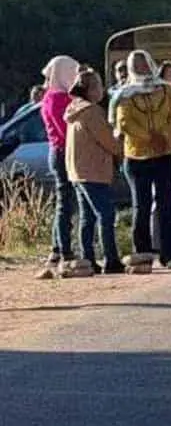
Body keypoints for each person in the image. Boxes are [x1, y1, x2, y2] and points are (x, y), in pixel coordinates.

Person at [113, 49, 171, 270]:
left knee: (166, 205)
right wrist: (148, 137)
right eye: (136, 64)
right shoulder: (124, 94)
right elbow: (123, 122)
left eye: (144, 63)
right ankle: (142, 253)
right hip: (137, 156)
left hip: (164, 154)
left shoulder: (165, 89)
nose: (141, 68)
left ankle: (170, 254)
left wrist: (163, 136)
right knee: (141, 206)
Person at [64, 69, 123, 275]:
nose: (102, 89)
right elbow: (109, 141)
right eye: (97, 85)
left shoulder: (74, 110)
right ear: (88, 90)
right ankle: (111, 259)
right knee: (106, 214)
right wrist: (121, 145)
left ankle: (88, 258)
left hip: (78, 171)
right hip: (94, 170)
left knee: (87, 217)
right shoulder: (92, 112)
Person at [39, 55, 80, 269]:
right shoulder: (57, 99)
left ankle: (57, 248)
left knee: (64, 201)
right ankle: (64, 249)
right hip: (64, 151)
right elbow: (66, 130)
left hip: (60, 151)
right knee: (66, 203)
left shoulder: (53, 96)